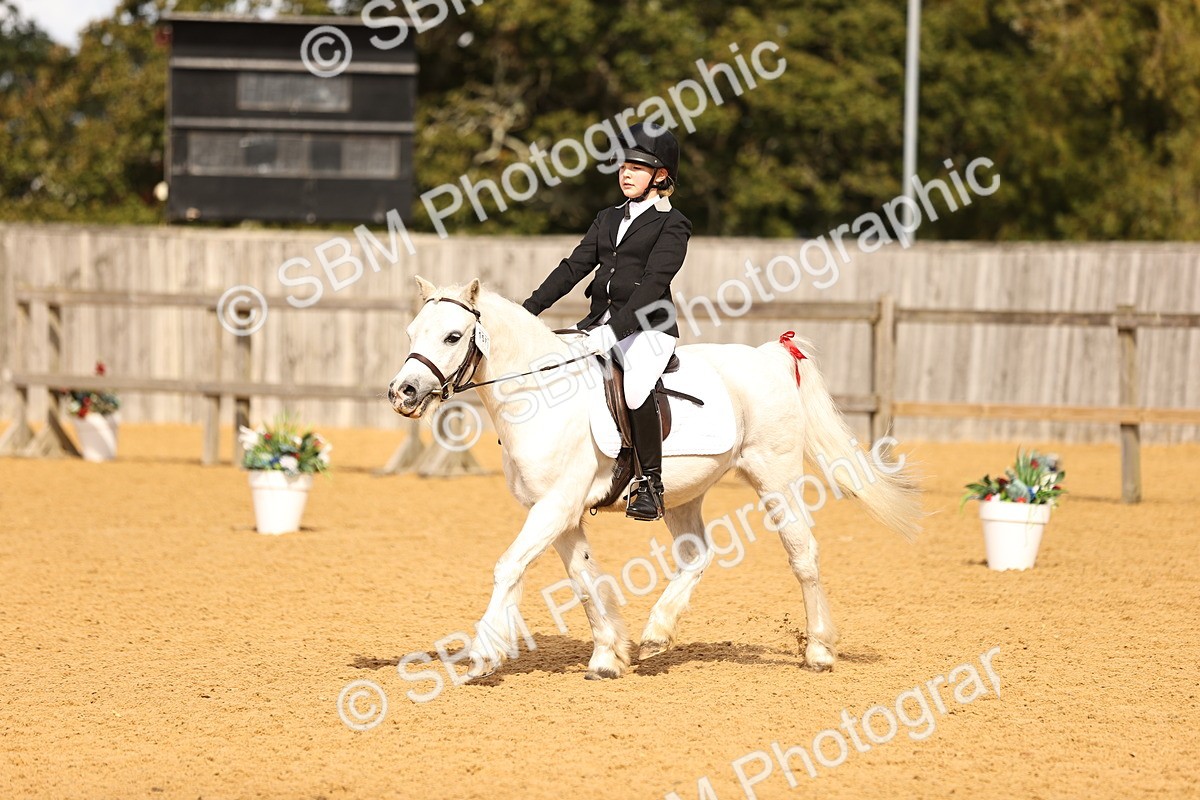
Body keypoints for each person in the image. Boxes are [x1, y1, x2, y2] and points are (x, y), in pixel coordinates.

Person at [521, 122, 691, 521]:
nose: (626, 174)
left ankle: (650, 483)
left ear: (660, 175)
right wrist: (527, 310)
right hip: (597, 323)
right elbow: (572, 268)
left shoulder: (673, 224)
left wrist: (615, 332)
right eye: (623, 166)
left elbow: (653, 285)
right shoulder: (608, 218)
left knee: (633, 389)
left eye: (636, 167)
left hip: (649, 327)